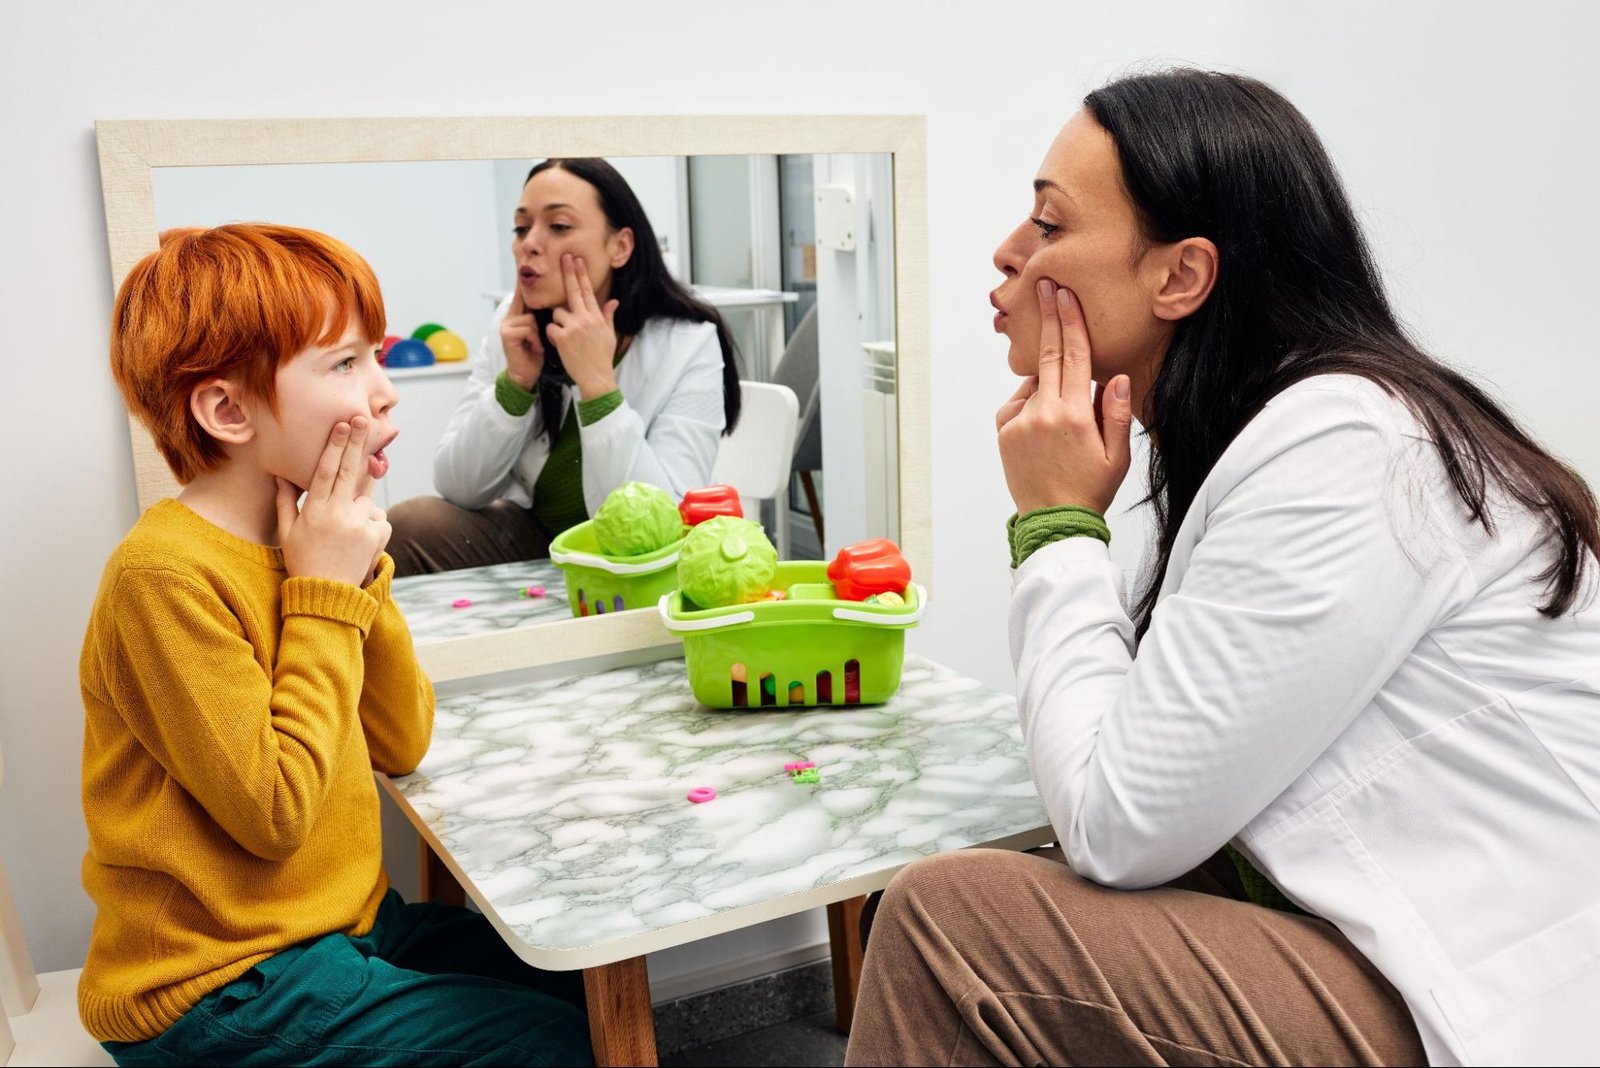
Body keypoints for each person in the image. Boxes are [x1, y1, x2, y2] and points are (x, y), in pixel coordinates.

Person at [846, 69, 1600, 1067]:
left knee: (951, 924)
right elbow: (1145, 767)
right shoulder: (1261, 438)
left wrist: (1057, 525)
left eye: (1048, 224)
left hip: (1495, 996)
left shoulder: (1344, 447)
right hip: (1385, 939)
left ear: (1178, 278)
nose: (1006, 251)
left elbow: (1116, 825)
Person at [81, 223, 592, 1066]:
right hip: (223, 983)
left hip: (342, 928)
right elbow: (275, 815)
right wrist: (321, 592)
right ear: (228, 409)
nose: (385, 392)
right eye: (346, 364)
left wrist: (355, 569)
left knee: (567, 969)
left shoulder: (310, 544)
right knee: (552, 1045)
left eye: (376, 357)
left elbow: (401, 739)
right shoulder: (163, 577)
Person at [387, 158, 742, 575]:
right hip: (540, 539)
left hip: (635, 565)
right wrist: (516, 384)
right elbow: (458, 486)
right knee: (408, 525)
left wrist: (598, 388)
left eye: (558, 227)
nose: (529, 244)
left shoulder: (688, 342)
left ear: (620, 246)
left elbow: (663, 527)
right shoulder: (513, 321)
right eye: (521, 228)